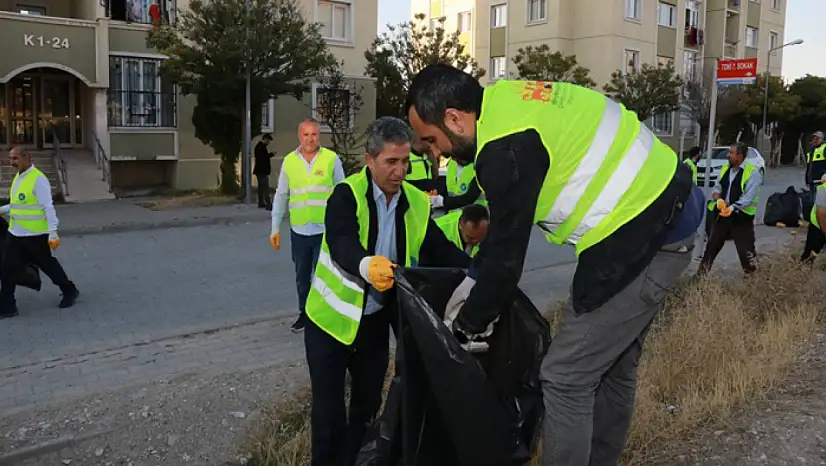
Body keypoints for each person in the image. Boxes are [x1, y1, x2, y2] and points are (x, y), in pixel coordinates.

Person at [405, 65, 703, 466]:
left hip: (646, 232)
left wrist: (466, 325)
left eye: (431, 141)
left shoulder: (503, 148)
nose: (435, 153)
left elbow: (508, 261)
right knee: (612, 365)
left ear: (454, 118)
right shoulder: (505, 103)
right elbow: (505, 225)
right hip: (666, 210)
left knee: (565, 376)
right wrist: (474, 278)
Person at [303, 116, 471, 466]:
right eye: (391, 162)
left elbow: (439, 250)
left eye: (405, 161)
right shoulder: (346, 194)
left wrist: (482, 274)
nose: (400, 171)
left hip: (374, 325)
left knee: (366, 409)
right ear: (370, 160)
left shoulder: (415, 202)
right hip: (330, 324)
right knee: (328, 416)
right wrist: (366, 265)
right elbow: (341, 242)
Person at [270, 119, 345, 332]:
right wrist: (275, 228)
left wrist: (342, 225)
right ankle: (305, 314)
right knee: (302, 277)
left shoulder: (331, 159)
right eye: (306, 135)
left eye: (314, 134)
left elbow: (343, 193)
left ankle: (326, 315)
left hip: (324, 230)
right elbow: (282, 194)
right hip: (300, 231)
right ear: (299, 136)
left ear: (318, 136)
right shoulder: (290, 161)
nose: (310, 139)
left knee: (326, 276)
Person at [0, 147, 79, 318]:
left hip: (35, 236)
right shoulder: (19, 178)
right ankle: (7, 306)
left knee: (48, 266)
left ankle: (69, 289)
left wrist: (53, 233)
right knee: (7, 269)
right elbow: (18, 206)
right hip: (15, 233)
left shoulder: (38, 180)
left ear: (26, 158)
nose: (11, 163)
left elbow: (48, 207)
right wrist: (3, 210)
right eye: (10, 159)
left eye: (15, 159)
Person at [697, 142, 761, 275]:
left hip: (741, 217)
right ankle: (700, 277)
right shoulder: (726, 168)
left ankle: (753, 278)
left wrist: (732, 208)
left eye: (731, 153)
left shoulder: (752, 173)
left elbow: (748, 197)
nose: (728, 156)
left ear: (740, 156)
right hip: (722, 215)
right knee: (712, 246)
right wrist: (717, 196)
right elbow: (717, 186)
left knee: (746, 250)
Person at [801, 175, 826, 262]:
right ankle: (804, 269)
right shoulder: (824, 190)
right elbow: (820, 216)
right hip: (819, 225)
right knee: (809, 256)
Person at [254, 133, 275, 210]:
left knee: (261, 187)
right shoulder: (261, 147)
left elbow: (263, 157)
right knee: (265, 187)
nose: (269, 143)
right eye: (268, 141)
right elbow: (263, 159)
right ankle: (268, 204)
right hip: (261, 171)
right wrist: (270, 155)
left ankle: (261, 202)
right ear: (265, 139)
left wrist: (270, 155)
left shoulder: (259, 147)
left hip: (259, 170)